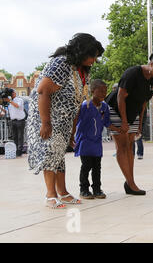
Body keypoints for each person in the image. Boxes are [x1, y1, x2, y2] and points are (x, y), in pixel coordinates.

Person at [27, 33, 104, 209]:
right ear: (83, 51)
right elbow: (43, 91)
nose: (94, 60)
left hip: (65, 120)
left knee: (60, 155)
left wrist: (72, 131)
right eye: (93, 56)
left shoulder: (81, 70)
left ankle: (63, 192)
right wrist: (46, 123)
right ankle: (50, 194)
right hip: (49, 117)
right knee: (51, 153)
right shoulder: (61, 63)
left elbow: (78, 101)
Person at [106, 52, 153, 195]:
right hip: (116, 110)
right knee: (122, 146)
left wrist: (139, 123)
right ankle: (131, 183)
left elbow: (143, 103)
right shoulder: (132, 73)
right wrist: (124, 121)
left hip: (133, 113)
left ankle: (130, 182)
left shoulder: (152, 80)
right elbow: (120, 97)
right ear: (151, 64)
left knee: (130, 146)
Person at [74, 80, 121, 199]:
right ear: (92, 91)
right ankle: (83, 189)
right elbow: (75, 121)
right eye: (100, 91)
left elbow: (106, 122)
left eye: (105, 91)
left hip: (96, 141)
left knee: (97, 166)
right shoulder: (86, 105)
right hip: (85, 141)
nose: (103, 93)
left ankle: (97, 189)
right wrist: (71, 137)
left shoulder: (104, 106)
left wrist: (119, 129)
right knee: (86, 165)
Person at [5, 89, 26, 156]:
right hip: (13, 121)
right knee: (14, 136)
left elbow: (18, 106)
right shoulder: (10, 102)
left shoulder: (19, 99)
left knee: (20, 136)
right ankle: (16, 149)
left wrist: (10, 101)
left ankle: (19, 150)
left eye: (12, 93)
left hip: (20, 120)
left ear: (14, 93)